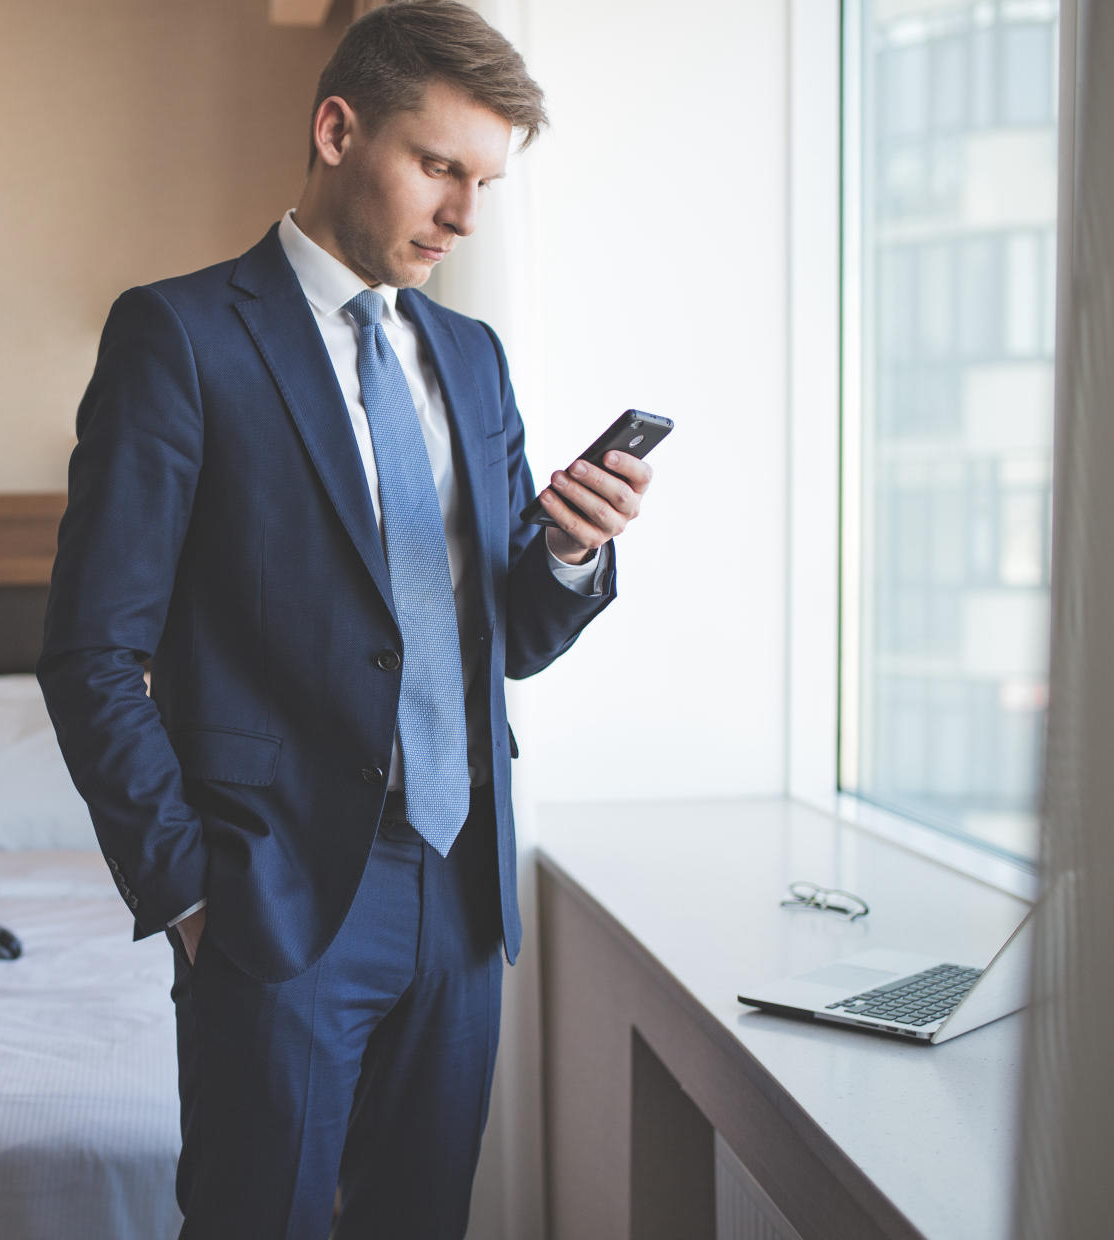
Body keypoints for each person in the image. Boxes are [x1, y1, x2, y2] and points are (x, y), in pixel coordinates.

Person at [36, 2, 653, 1235]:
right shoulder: (180, 336)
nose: (465, 216)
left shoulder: (473, 357)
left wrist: (573, 552)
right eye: (439, 167)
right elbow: (91, 650)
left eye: (485, 181)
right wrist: (193, 896)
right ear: (335, 129)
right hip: (275, 898)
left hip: (464, 888)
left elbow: (506, 636)